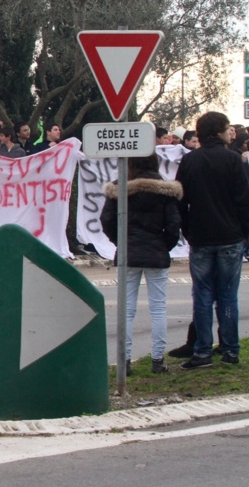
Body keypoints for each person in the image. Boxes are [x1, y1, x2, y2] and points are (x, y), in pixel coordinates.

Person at [175, 111, 249, 369]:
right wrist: (244, 233)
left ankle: (202, 351)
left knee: (203, 295)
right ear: (218, 131)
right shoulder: (232, 160)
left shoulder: (190, 161)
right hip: (230, 236)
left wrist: (188, 230)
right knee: (228, 295)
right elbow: (243, 200)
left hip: (201, 237)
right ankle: (230, 350)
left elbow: (180, 200)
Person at [101, 154, 182, 375]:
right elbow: (174, 224)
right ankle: (158, 360)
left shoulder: (119, 188)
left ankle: (124, 361)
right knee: (158, 308)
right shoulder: (165, 190)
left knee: (126, 309)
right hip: (157, 252)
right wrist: (163, 245)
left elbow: (106, 220)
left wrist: (121, 241)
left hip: (129, 252)